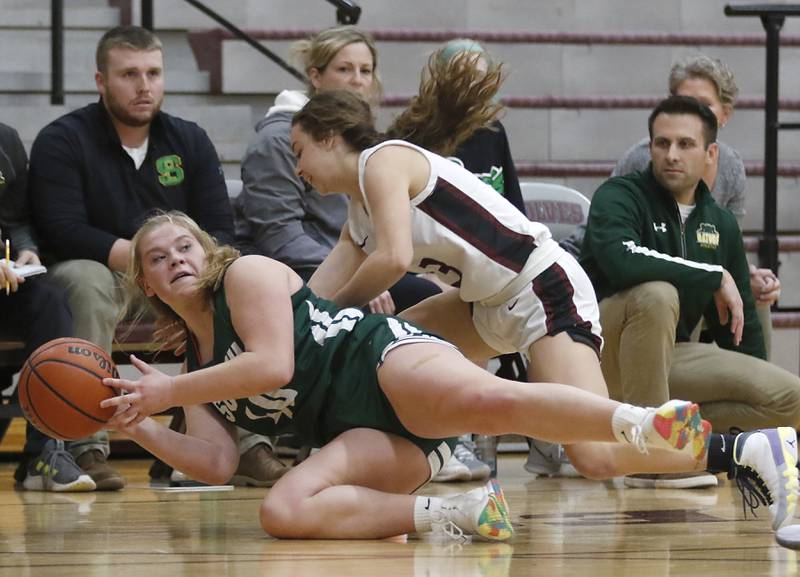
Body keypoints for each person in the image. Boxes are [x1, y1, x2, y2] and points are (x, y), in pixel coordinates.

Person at [289, 90, 799, 532]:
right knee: (392, 356)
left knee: (594, 456)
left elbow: (395, 259)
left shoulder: (381, 162)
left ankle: (746, 451)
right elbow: (310, 306)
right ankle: (407, 478)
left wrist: (334, 321)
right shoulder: (358, 215)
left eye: (300, 150)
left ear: (330, 136)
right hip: (486, 301)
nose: (298, 168)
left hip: (541, 287)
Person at [100, 210, 729, 541]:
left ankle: (639, 420)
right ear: (147, 284)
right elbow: (213, 463)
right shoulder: (193, 365)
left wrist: (169, 392)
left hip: (378, 361)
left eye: (184, 247)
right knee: (282, 510)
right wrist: (143, 424)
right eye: (157, 258)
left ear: (207, 253)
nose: (175, 260)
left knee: (488, 400)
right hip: (349, 430)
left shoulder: (246, 276)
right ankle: (456, 512)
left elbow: (273, 364)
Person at [28, 25, 285, 489]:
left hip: (171, 276)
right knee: (85, 282)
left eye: (153, 73)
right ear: (101, 81)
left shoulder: (189, 140)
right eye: (129, 74)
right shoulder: (62, 139)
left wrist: (177, 268)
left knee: (226, 283)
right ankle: (87, 444)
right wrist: (147, 260)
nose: (144, 86)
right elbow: (61, 228)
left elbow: (219, 232)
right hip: (98, 273)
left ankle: (248, 443)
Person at [580, 95, 800, 490]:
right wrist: (712, 275)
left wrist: (752, 385)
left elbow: (740, 326)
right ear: (650, 148)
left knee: (789, 398)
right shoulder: (619, 196)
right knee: (656, 294)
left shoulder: (720, 224)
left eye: (685, 144)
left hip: (671, 357)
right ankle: (648, 459)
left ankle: (711, 447)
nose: (671, 154)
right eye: (662, 144)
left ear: (710, 153)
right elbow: (620, 260)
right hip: (601, 356)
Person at [386, 39, 526, 482]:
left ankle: (541, 439)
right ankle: (453, 436)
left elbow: (515, 210)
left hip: (485, 265)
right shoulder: (412, 134)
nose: (477, 86)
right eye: (466, 76)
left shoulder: (493, 132)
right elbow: (401, 226)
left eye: (483, 76)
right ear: (440, 82)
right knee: (467, 299)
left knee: (518, 295)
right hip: (427, 263)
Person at [237, 25, 440, 314]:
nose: (357, 81)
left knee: (442, 289)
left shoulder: (365, 142)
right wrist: (365, 277)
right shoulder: (277, 139)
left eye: (365, 71)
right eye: (345, 69)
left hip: (353, 258)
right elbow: (280, 236)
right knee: (425, 296)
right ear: (315, 76)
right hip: (297, 268)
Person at [611, 54, 779, 355]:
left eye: (703, 105)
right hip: (632, 280)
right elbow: (628, 250)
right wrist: (714, 274)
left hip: (694, 273)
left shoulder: (731, 167)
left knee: (754, 295)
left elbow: (723, 249)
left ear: (725, 114)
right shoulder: (648, 159)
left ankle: (759, 381)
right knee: (691, 286)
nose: (690, 112)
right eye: (683, 101)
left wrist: (746, 275)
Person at [0, 122, 94, 492]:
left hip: (6, 279)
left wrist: (26, 249)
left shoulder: (6, 139)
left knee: (50, 301)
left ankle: (46, 450)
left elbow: (17, 219)